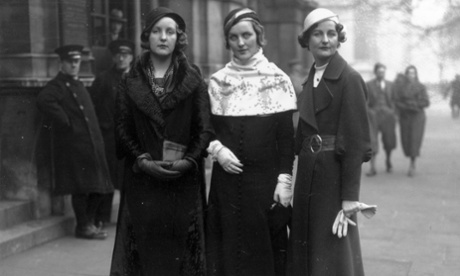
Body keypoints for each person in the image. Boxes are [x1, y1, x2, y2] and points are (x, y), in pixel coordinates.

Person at [109, 7, 213, 275]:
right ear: (147, 36)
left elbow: (204, 128)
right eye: (157, 31)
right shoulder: (130, 78)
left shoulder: (193, 77)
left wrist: (188, 160)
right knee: (145, 252)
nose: (163, 37)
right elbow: (121, 128)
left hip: (183, 181)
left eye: (170, 32)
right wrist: (142, 160)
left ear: (179, 37)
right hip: (143, 180)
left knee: (182, 252)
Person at [205, 8, 297, 276]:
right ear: (227, 41)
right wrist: (217, 150)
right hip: (227, 185)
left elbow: (285, 138)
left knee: (264, 255)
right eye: (233, 37)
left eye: (246, 35)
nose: (241, 43)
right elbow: (205, 130)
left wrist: (284, 180)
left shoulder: (278, 79)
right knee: (228, 255)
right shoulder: (218, 81)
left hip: (263, 184)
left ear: (259, 36)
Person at [287, 8, 372, 276]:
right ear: (307, 40)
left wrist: (349, 198)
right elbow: (300, 135)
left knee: (332, 250)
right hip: (308, 175)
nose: (325, 40)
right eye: (318, 34)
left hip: (333, 179)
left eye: (331, 34)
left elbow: (356, 143)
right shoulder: (310, 78)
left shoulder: (350, 79)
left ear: (339, 38)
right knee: (308, 246)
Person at [37, 45, 113, 240]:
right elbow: (44, 100)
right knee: (81, 188)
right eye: (70, 62)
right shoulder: (58, 85)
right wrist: (65, 120)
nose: (74, 65)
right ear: (61, 63)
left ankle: (89, 223)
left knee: (99, 186)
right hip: (76, 146)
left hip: (92, 145)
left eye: (77, 61)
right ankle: (83, 226)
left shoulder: (78, 84)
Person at [90, 39, 134, 230]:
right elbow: (94, 107)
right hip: (109, 136)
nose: (121, 58)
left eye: (125, 55)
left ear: (131, 58)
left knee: (129, 179)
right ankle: (101, 218)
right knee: (106, 178)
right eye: (118, 55)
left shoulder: (139, 79)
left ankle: (128, 219)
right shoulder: (103, 79)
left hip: (131, 138)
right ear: (113, 57)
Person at [393, 65, 430, 177]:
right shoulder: (400, 87)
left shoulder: (421, 87)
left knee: (414, 140)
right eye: (409, 73)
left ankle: (412, 164)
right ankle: (410, 158)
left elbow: (426, 102)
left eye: (413, 73)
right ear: (406, 74)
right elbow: (397, 101)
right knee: (406, 140)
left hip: (418, 116)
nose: (411, 75)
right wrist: (406, 106)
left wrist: (416, 105)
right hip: (405, 116)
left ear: (416, 74)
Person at [366, 62, 397, 176]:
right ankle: (372, 167)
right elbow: (365, 101)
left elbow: (395, 100)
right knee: (372, 140)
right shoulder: (369, 85)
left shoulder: (391, 85)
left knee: (389, 140)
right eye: (379, 72)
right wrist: (370, 111)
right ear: (375, 73)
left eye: (383, 72)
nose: (381, 74)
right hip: (374, 116)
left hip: (388, 116)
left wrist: (392, 112)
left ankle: (388, 160)